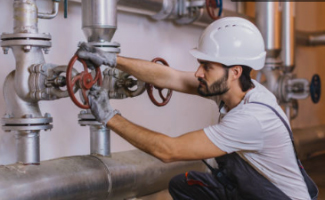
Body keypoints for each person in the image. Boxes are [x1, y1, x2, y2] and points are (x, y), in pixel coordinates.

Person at [77, 17, 312, 199]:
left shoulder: (251, 119)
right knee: (185, 186)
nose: (198, 73)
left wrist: (110, 117)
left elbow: (168, 150)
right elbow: (172, 78)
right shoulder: (235, 90)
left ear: (235, 72)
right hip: (253, 192)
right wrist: (112, 59)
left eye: (207, 66)